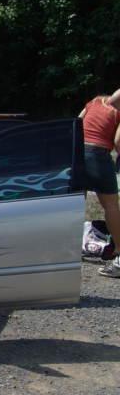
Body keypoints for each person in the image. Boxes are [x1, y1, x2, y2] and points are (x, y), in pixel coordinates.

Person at [79, 88, 120, 277]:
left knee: (77, 202)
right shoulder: (117, 111)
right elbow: (118, 141)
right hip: (98, 154)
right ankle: (118, 249)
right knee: (111, 205)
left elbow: (77, 122)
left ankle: (70, 246)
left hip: (77, 152)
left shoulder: (94, 102)